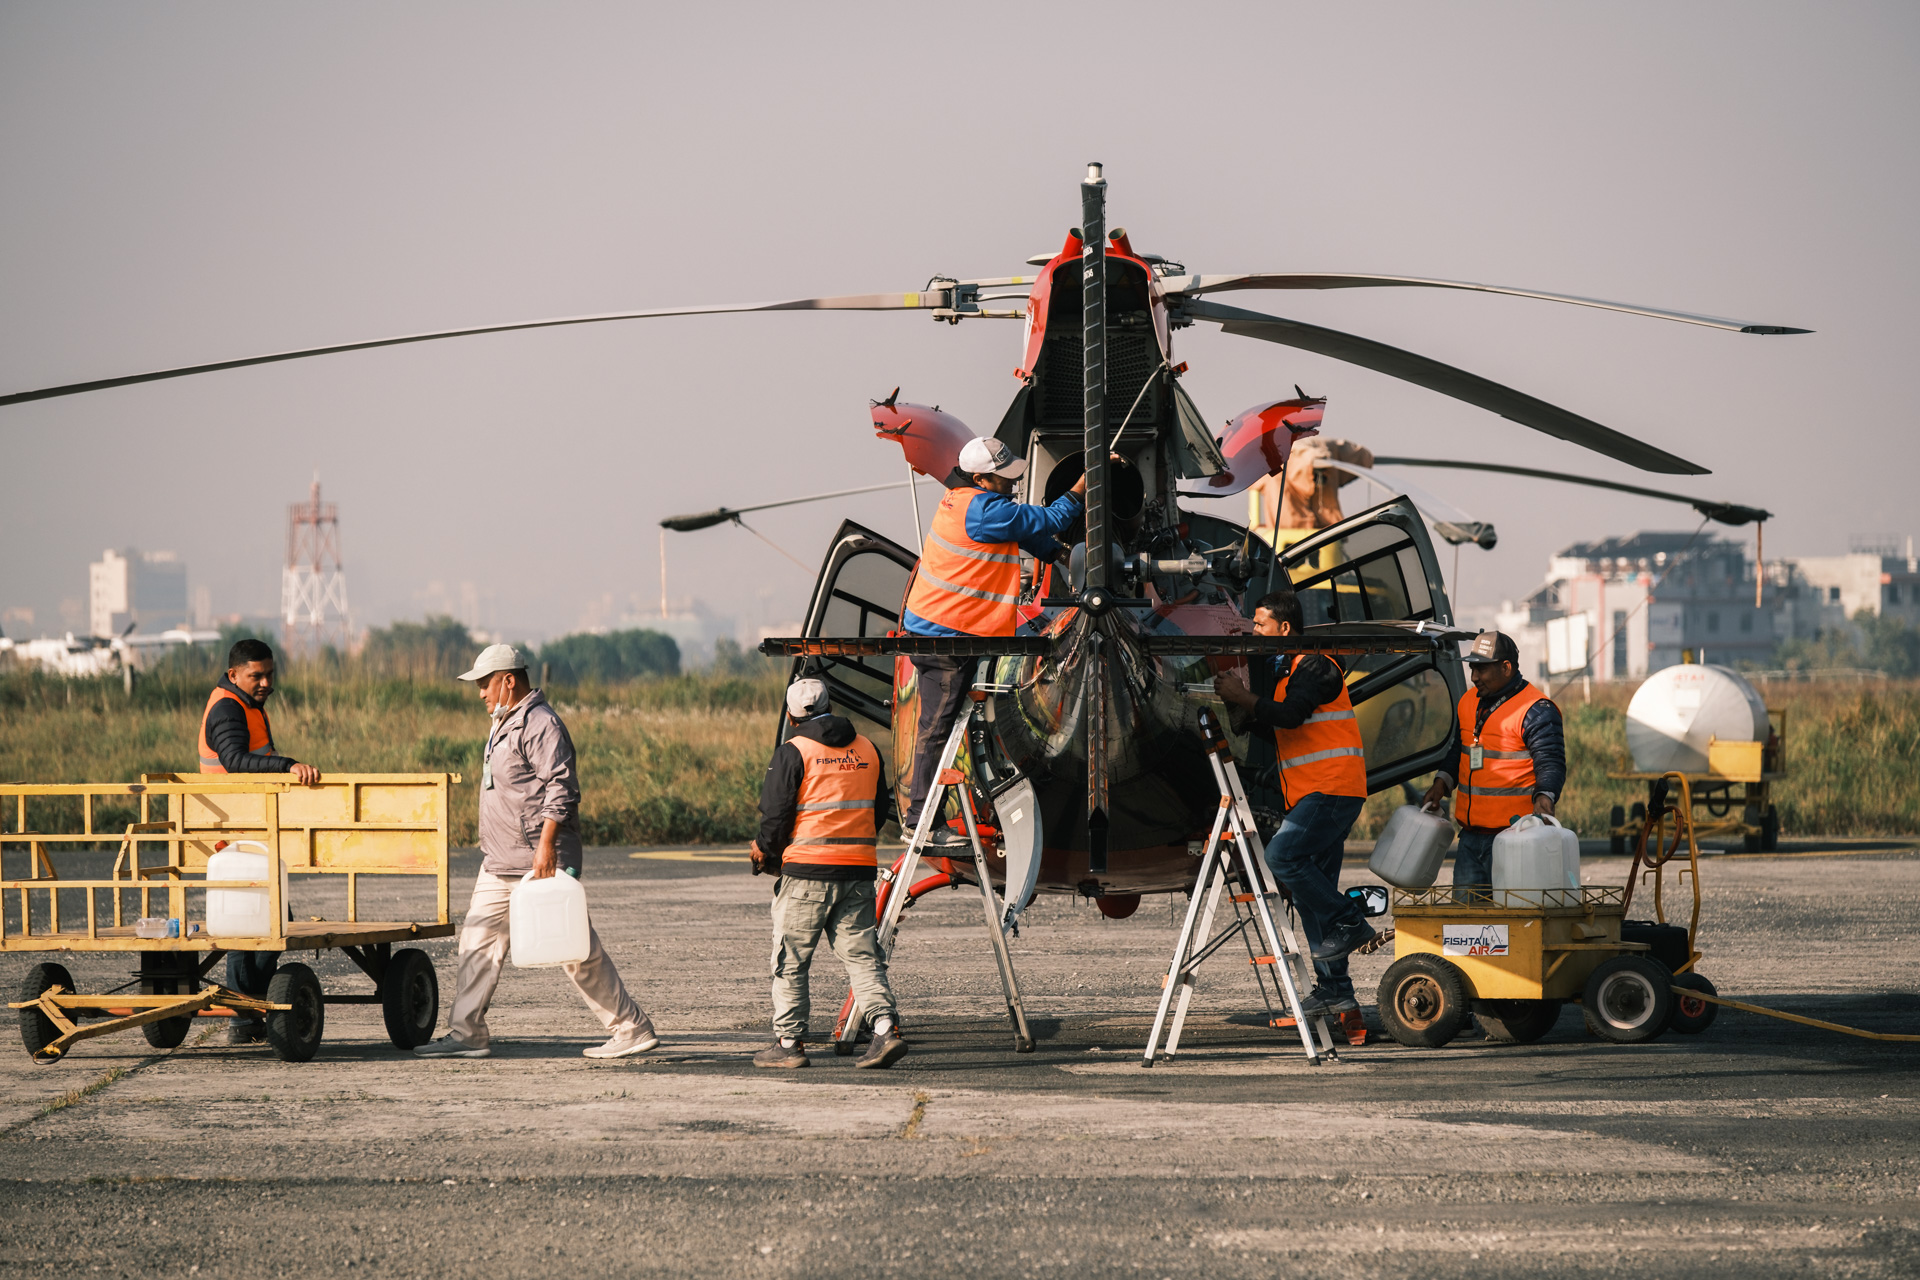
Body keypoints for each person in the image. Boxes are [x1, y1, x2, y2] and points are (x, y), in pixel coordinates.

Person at [414, 644, 658, 1060]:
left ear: (508, 680)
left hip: (539, 860)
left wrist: (546, 848)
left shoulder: (540, 724)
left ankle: (631, 1028)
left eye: (485, 683)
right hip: (500, 861)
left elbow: (562, 789)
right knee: (477, 941)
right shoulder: (503, 721)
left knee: (573, 949)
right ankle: (467, 1033)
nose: (480, 693)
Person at [899, 435, 1092, 846]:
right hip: (946, 639)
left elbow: (1024, 532)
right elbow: (1045, 520)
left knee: (938, 725)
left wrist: (1057, 555)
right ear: (981, 478)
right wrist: (1081, 489)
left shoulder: (965, 500)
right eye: (1004, 479)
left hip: (940, 627)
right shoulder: (984, 510)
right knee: (936, 729)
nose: (1011, 484)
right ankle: (922, 820)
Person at [1216, 589, 1374, 1017]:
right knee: (1308, 895)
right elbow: (1287, 732)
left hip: (1331, 790)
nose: (1256, 632)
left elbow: (1291, 716)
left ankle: (1351, 920)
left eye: (1261, 625)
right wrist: (1245, 714)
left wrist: (1245, 699)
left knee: (1283, 856)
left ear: (1285, 628)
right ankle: (1335, 989)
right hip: (1317, 792)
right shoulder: (1291, 676)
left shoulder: (1316, 665)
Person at [748, 678, 906, 1069]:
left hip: (806, 874)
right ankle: (885, 1030)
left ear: (791, 716)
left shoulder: (793, 751)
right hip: (858, 871)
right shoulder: (868, 748)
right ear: (831, 705)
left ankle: (788, 1044)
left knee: (791, 960)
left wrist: (764, 852)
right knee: (862, 957)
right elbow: (878, 807)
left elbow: (775, 816)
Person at [197, 637, 321, 1045]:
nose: (266, 682)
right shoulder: (229, 707)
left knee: (253, 922)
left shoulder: (246, 705)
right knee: (262, 923)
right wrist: (288, 765)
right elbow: (233, 761)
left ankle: (245, 1017)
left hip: (248, 830)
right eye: (256, 675)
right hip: (234, 835)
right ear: (234, 675)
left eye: (269, 673)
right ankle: (244, 1014)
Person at [1421, 631, 1567, 896]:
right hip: (1470, 839)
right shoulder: (1468, 701)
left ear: (1506, 667)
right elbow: (1460, 749)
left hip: (1515, 840)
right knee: (1467, 928)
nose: (1474, 676)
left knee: (1513, 924)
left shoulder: (1536, 709)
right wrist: (1441, 782)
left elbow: (1551, 762)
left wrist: (1545, 797)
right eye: (1472, 668)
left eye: (1481, 669)